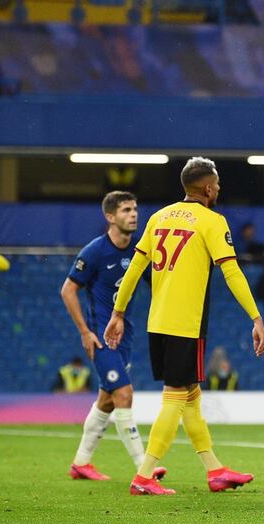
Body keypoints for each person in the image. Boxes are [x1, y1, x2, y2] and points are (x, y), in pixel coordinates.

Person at [104, 157, 264, 496]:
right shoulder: (211, 220)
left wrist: (118, 313)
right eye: (218, 185)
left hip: (158, 320)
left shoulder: (158, 217)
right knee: (176, 396)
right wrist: (255, 316)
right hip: (186, 324)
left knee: (191, 396)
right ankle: (144, 475)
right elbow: (232, 271)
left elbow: (134, 269)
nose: (219, 190)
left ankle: (215, 470)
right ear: (208, 188)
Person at [59, 191, 162, 482]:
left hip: (124, 338)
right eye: (127, 210)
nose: (133, 214)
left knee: (106, 400)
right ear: (110, 217)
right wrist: (85, 332)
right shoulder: (95, 251)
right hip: (101, 338)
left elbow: (156, 283)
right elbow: (68, 290)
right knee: (123, 394)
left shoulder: (138, 249)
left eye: (135, 209)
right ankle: (145, 468)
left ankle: (81, 463)